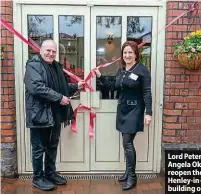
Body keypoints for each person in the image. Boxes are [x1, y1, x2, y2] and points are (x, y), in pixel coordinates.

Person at [24, 40, 85, 191]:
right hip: (39, 114)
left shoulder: (56, 66)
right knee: (38, 149)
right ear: (41, 50)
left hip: (55, 114)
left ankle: (50, 173)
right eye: (48, 50)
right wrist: (59, 98)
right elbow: (37, 88)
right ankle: (38, 178)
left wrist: (76, 86)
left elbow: (61, 88)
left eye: (53, 51)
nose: (51, 54)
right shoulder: (33, 65)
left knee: (52, 146)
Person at [94, 41, 152, 191]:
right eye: (125, 52)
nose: (127, 55)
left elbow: (147, 92)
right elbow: (113, 87)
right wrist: (100, 76)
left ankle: (132, 176)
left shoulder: (142, 70)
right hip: (123, 109)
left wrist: (148, 112)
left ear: (136, 54)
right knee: (126, 143)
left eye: (130, 53)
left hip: (135, 110)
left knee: (127, 143)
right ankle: (128, 171)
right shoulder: (121, 70)